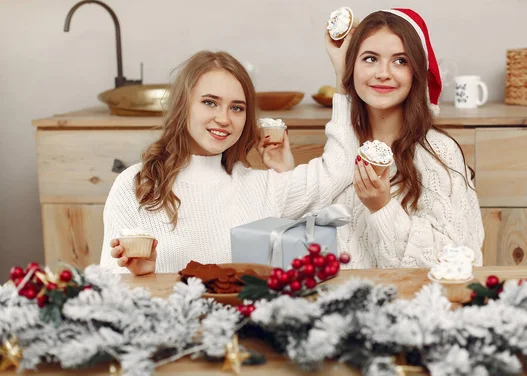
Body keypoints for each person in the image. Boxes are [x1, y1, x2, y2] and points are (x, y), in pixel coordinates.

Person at [100, 50, 358, 275]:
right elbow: (111, 286)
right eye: (210, 102)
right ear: (182, 106)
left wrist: (343, 72)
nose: (224, 119)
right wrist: (142, 276)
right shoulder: (136, 185)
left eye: (237, 108)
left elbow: (340, 167)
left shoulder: (265, 187)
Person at [325, 8, 484, 268]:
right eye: (369, 59)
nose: (383, 73)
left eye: (400, 61)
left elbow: (462, 260)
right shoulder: (344, 145)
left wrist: (383, 208)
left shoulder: (439, 152)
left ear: (416, 73)